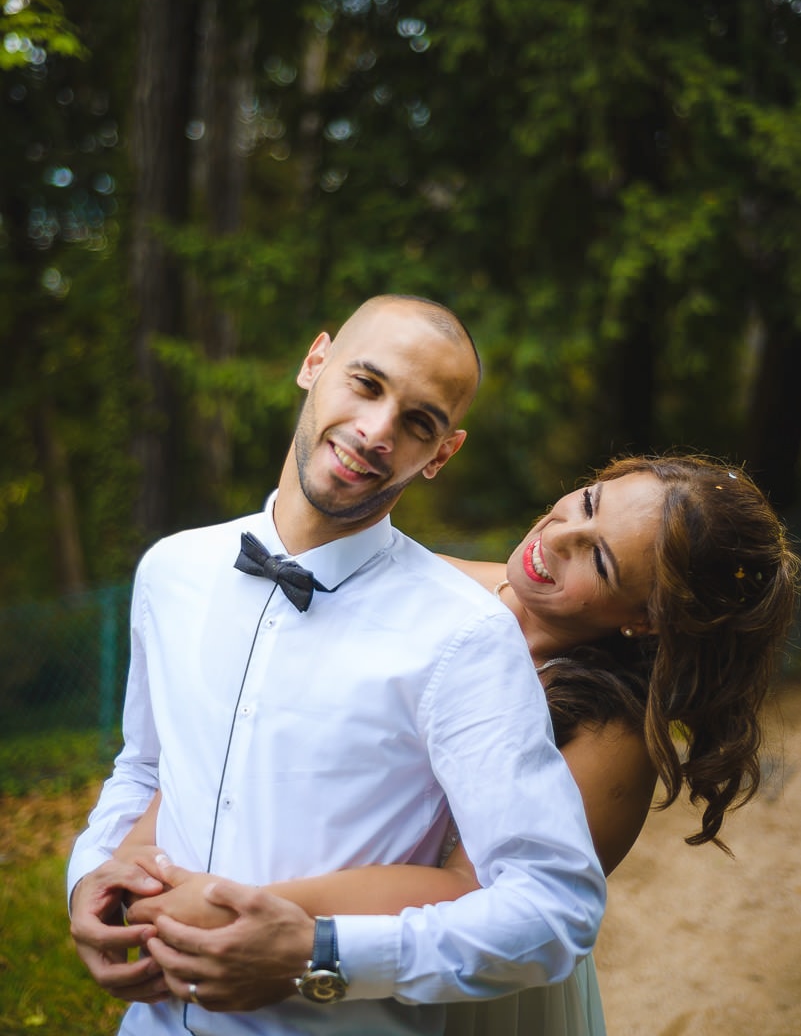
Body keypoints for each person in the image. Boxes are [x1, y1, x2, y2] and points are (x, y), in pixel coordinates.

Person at [67, 294, 606, 1036]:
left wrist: (319, 953)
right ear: (314, 363)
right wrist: (85, 883)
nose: (376, 431)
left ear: (440, 456)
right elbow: (144, 771)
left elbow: (555, 908)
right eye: (366, 383)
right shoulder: (172, 569)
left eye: (419, 423)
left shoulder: (467, 636)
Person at [119, 452, 800, 1036]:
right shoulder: (421, 582)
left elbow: (474, 893)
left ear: (646, 620)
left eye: (596, 558)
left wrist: (248, 907)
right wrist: (134, 861)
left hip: (442, 973)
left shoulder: (608, 737)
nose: (558, 535)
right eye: (586, 503)